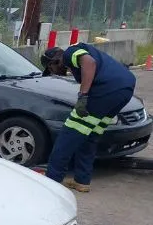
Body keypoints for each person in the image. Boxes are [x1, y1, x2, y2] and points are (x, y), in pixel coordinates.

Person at [41, 43, 136, 192]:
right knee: (90, 135)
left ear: (54, 61)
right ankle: (82, 180)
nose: (54, 73)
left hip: (107, 89)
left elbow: (89, 62)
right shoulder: (78, 58)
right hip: (124, 90)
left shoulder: (68, 54)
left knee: (68, 134)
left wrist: (83, 96)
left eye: (51, 69)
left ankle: (52, 180)